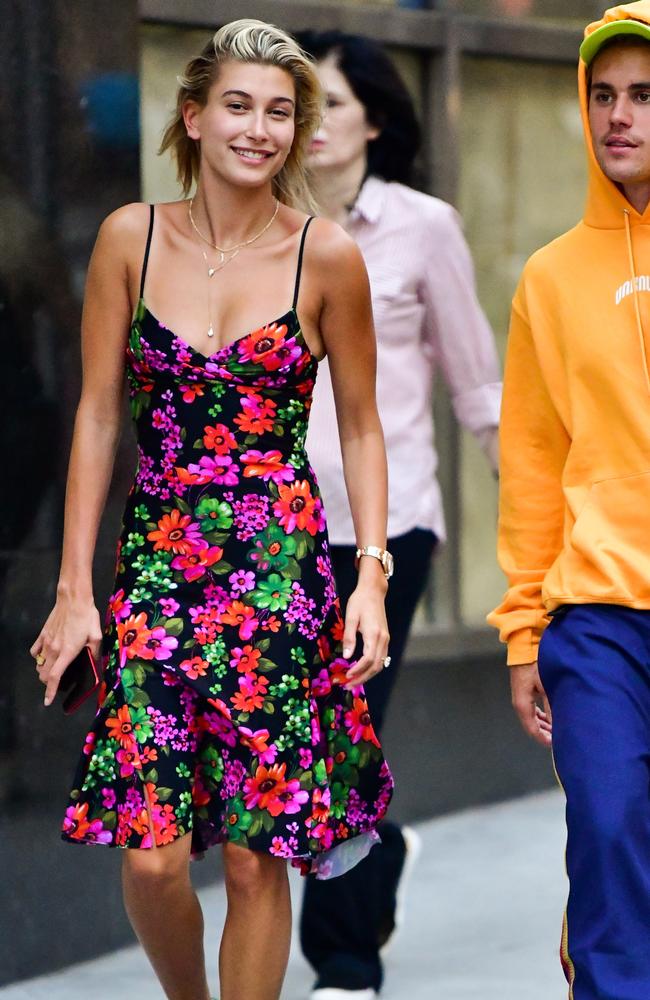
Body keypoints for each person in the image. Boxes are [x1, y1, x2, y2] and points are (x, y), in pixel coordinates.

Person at [30, 20, 395, 1000]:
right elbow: (98, 414)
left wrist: (368, 572)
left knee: (250, 850)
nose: (258, 128)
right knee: (151, 852)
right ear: (191, 117)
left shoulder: (327, 257)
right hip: (158, 561)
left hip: (278, 567)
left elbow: (360, 426)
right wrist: (74, 591)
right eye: (237, 105)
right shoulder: (127, 236)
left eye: (279, 111)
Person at [299, 31, 502, 1000]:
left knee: (342, 726)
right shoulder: (258, 227)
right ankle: (372, 851)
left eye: (330, 101)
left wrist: (536, 520)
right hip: (263, 530)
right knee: (293, 737)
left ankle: (342, 956)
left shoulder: (423, 227)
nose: (309, 119)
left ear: (373, 121)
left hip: (386, 527)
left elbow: (477, 385)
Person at [489, 2, 650, 995]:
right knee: (604, 820)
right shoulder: (548, 279)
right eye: (600, 95)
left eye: (641, 95)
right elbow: (532, 464)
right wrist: (520, 634)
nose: (616, 116)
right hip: (594, 616)